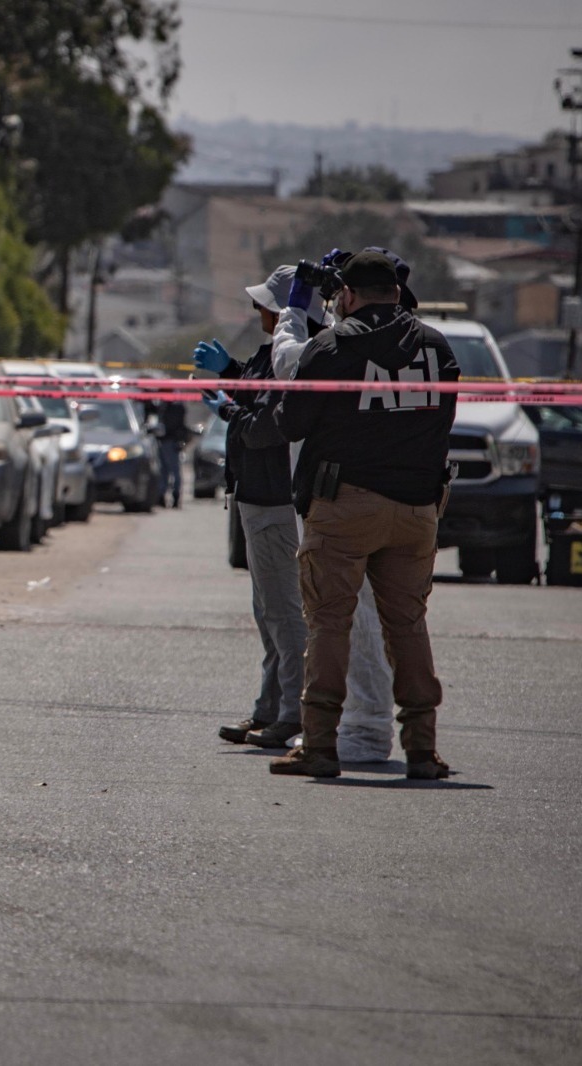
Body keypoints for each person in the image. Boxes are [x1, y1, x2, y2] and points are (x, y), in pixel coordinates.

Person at [259, 250, 460, 779]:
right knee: (409, 627)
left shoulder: (332, 346)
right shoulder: (437, 348)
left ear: (345, 296)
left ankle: (320, 745)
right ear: (396, 291)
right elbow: (444, 425)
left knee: (328, 623)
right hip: (417, 509)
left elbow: (292, 422)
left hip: (345, 506)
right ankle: (422, 749)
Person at [193, 266, 307, 749]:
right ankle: (269, 708)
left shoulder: (298, 358)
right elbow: (258, 394)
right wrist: (232, 376)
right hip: (256, 499)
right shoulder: (272, 356)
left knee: (284, 614)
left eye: (265, 305)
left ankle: (292, 714)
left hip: (277, 500)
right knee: (268, 613)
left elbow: (267, 425)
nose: (256, 310)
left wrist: (228, 408)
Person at [145, 399, 191, 508]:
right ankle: (162, 496)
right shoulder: (161, 405)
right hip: (162, 441)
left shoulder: (175, 407)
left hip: (171, 441)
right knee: (163, 470)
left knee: (173, 470)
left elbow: (176, 424)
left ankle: (175, 495)